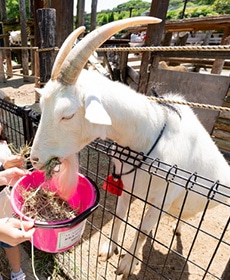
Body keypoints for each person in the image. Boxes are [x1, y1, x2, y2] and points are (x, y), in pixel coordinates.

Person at [0, 123, 34, 280]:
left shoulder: (3, 144)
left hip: (3, 206)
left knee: (10, 243)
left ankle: (17, 272)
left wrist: (3, 171)